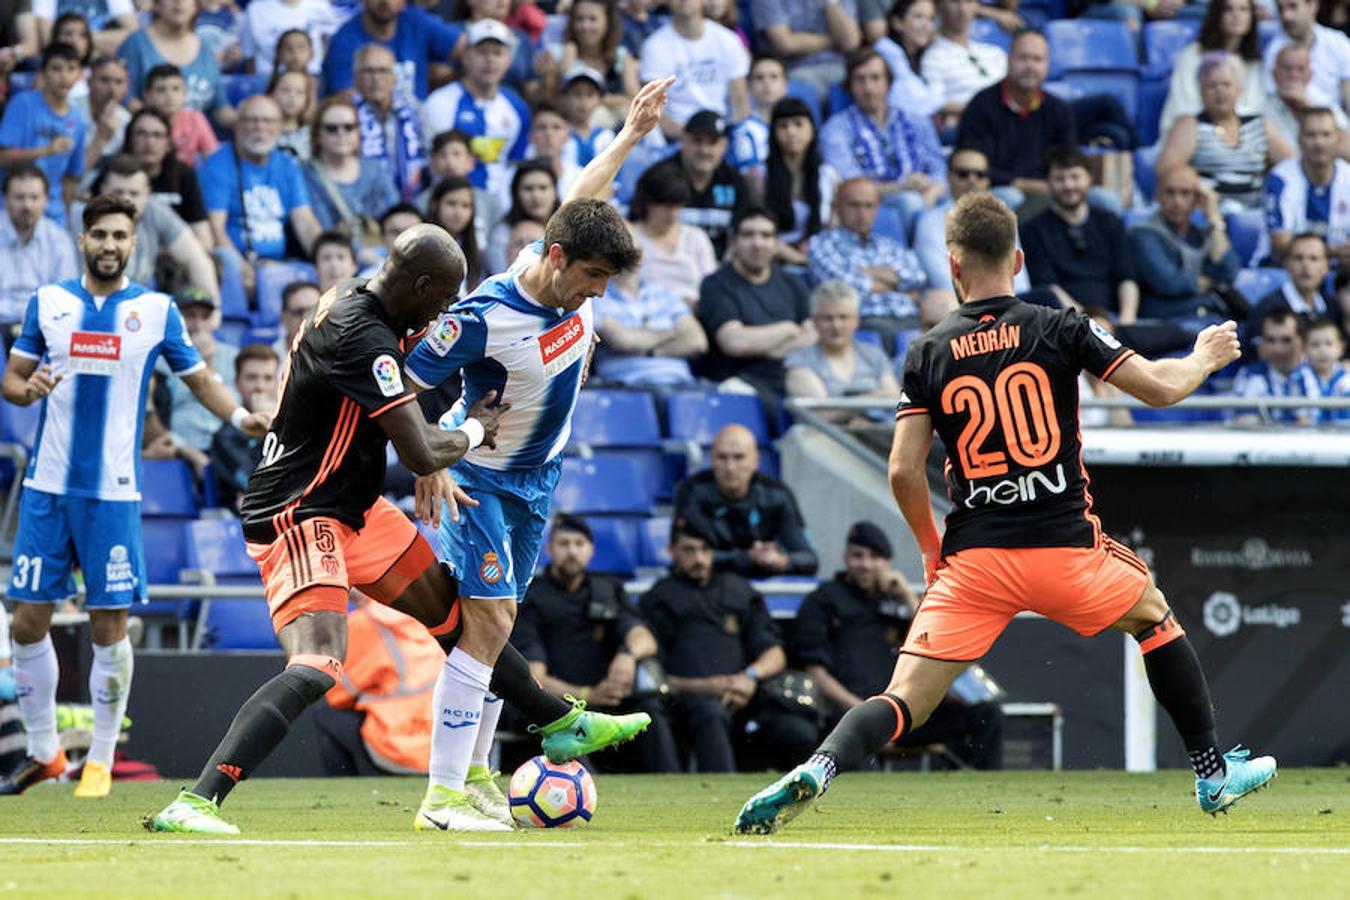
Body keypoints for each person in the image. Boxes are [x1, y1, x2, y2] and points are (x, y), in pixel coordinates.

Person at [733, 191, 1276, 835]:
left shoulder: (928, 350)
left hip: (975, 562)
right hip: (1065, 549)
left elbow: (904, 470)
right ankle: (1212, 772)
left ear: (953, 265)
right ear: (1017, 259)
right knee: (1154, 615)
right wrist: (1203, 358)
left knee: (904, 698)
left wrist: (932, 550)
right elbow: (1159, 389)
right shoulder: (1061, 326)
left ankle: (819, 767)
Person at [147, 219, 645, 833]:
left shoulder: (362, 302)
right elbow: (417, 450)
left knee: (460, 621)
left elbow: (427, 386)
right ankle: (195, 802)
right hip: (301, 512)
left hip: (356, 507)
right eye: (440, 299)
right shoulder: (362, 339)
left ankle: (557, 723)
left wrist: (438, 443)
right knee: (319, 664)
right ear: (421, 284)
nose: (444, 314)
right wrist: (469, 435)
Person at [395, 77, 674, 832]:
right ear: (556, 260)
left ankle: (479, 777)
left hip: (536, 480)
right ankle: (442, 797)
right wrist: (431, 460)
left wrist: (630, 134)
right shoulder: (481, 317)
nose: (599, 295)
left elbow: (583, 195)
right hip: (482, 478)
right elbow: (404, 384)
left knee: (498, 629)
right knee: (484, 627)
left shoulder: (556, 260)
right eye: (592, 279)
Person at [0, 194, 270, 799]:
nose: (110, 245)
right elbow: (13, 379)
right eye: (100, 234)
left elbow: (199, 378)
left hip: (114, 494)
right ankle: (44, 753)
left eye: (121, 235)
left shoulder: (155, 310)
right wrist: (26, 389)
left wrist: (241, 418)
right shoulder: (50, 303)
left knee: (108, 625)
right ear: (82, 240)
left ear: (133, 243)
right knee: (25, 623)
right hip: (47, 486)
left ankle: (97, 758)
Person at [794, 521, 1003, 770]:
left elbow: (938, 638)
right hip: (849, 711)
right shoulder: (823, 600)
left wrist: (906, 596)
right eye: (857, 556)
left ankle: (986, 796)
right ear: (845, 557)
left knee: (987, 714)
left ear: (887, 562)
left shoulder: (895, 601)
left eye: (875, 557)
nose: (865, 564)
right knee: (850, 742)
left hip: (904, 712)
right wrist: (866, 719)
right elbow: (815, 671)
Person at [638, 519, 818, 772]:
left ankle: (808, 794)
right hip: (685, 702)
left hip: (745, 696)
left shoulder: (738, 590)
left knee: (798, 730)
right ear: (672, 551)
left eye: (705, 550)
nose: (699, 558)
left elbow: (774, 653)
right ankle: (718, 797)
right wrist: (708, 687)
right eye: (689, 550)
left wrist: (748, 677)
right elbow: (654, 674)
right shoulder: (659, 599)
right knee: (710, 713)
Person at [515, 514, 680, 773]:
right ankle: (584, 789)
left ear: (591, 550)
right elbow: (535, 678)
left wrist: (627, 654)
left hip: (612, 698)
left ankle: (673, 788)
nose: (572, 551)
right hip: (561, 704)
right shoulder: (533, 597)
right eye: (564, 544)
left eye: (579, 544)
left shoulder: (608, 589)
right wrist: (587, 695)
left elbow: (645, 639)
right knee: (557, 720)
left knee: (650, 711)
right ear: (550, 549)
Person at [199, 95, 323, 294]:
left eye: (268, 121)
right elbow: (216, 229)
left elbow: (306, 223)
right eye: (252, 120)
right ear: (237, 125)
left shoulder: (287, 165)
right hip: (238, 265)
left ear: (280, 128)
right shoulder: (217, 165)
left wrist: (325, 258)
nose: (260, 127)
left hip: (281, 266)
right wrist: (242, 269)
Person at [314, 593, 444, 776]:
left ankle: (345, 788)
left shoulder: (364, 622)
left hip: (394, 743)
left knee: (325, 712)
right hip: (442, 745)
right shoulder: (422, 615)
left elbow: (337, 696)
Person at [819, 48, 945, 235]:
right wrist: (902, 188)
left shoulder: (917, 120)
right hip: (875, 202)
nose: (868, 88)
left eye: (875, 78)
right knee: (909, 202)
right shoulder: (835, 129)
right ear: (850, 86)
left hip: (928, 195)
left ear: (888, 83)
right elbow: (850, 185)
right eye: (860, 80)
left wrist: (930, 195)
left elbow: (939, 169)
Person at [672, 423, 818, 578]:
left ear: (756, 461)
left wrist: (781, 561)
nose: (730, 467)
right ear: (711, 460)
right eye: (722, 457)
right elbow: (688, 557)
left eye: (738, 457)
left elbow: (809, 559)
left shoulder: (777, 494)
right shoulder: (692, 491)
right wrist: (749, 558)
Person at [697, 206, 815, 397]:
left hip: (792, 377)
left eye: (766, 236)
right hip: (740, 383)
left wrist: (768, 348)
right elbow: (734, 342)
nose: (757, 243)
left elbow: (813, 336)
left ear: (777, 243)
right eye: (748, 235)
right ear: (733, 241)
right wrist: (789, 329)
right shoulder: (715, 285)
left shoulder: (792, 283)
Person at [955, 29, 1074, 209]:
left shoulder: (1058, 109)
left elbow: (1068, 162)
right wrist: (1024, 185)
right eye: (1023, 58)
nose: (1030, 66)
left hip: (1050, 191)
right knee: (1012, 197)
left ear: (1047, 65)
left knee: (1103, 199)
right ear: (1009, 60)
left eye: (1037, 59)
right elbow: (969, 167)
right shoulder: (981, 105)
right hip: (998, 192)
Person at [1157, 52, 1293, 209]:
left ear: (1239, 89)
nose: (1220, 91)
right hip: (1207, 211)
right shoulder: (1189, 124)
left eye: (1226, 85)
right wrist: (1199, 189)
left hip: (1255, 211)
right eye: (1212, 86)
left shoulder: (1259, 124)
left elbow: (1291, 165)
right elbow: (1166, 169)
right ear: (1201, 91)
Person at [808, 178, 929, 353]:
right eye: (854, 206)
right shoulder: (822, 243)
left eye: (868, 206)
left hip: (910, 319)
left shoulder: (889, 245)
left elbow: (918, 277)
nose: (862, 214)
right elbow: (843, 288)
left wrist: (866, 274)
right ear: (836, 208)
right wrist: (895, 284)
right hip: (866, 323)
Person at [1021, 147, 1140, 322]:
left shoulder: (1111, 222)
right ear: (1048, 183)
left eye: (1075, 177)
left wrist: (1127, 320)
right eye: (1060, 179)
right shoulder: (1032, 230)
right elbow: (1048, 288)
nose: (1068, 185)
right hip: (1067, 322)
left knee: (1179, 335)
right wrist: (1088, 323)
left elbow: (1127, 277)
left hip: (1115, 320)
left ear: (1089, 179)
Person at [421, 20, 529, 204]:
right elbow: (432, 163)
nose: (490, 60)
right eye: (482, 52)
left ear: (508, 60)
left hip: (501, 206)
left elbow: (515, 164)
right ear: (465, 57)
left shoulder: (518, 108)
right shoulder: (439, 103)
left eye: (497, 53)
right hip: (448, 203)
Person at [93, 154, 219, 306]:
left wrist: (213, 312)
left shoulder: (155, 212)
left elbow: (197, 259)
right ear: (102, 190)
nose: (125, 200)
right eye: (117, 192)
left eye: (134, 193)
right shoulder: (79, 218)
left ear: (147, 193)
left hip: (136, 312)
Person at [1129, 165, 1242, 322]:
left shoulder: (1201, 234)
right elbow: (1171, 283)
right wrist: (1212, 280)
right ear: (1158, 196)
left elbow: (1229, 271)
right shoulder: (1143, 234)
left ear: (1197, 199)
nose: (1177, 201)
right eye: (1170, 192)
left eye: (1185, 193)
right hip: (1169, 321)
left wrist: (1214, 218)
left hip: (1209, 316)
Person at [638, 110, 755, 260]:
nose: (704, 150)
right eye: (697, 141)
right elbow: (638, 227)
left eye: (712, 143)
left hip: (722, 270)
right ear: (683, 141)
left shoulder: (735, 181)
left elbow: (747, 227)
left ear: (724, 146)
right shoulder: (658, 179)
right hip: (666, 265)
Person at [914, 148, 1029, 295]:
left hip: (1006, 303)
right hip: (960, 306)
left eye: (980, 175)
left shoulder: (1003, 219)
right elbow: (942, 280)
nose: (972, 180)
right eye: (963, 174)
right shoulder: (930, 221)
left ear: (988, 181)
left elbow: (1019, 278)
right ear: (948, 177)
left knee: (1048, 296)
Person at [0, 42, 86, 229]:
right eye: (56, 69)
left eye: (71, 69)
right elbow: (2, 157)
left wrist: (68, 218)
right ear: (42, 74)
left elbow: (70, 178)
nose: (64, 76)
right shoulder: (22, 105)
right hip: (10, 209)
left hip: (54, 216)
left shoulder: (78, 123)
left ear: (80, 75)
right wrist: (46, 150)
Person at [638, 0, 749, 139]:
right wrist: (692, 139)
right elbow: (653, 110)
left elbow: (740, 102)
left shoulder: (729, 41)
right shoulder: (654, 46)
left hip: (721, 132)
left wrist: (726, 138)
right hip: (676, 137)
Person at [303, 95, 400, 252]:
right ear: (317, 134)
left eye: (348, 127)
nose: (341, 133)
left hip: (383, 252)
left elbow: (396, 212)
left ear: (358, 132)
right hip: (338, 258)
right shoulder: (307, 174)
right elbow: (322, 228)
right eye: (331, 128)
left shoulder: (374, 167)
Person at [785, 281, 901, 411]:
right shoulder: (800, 361)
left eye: (844, 317)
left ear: (856, 320)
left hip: (875, 429)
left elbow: (893, 400)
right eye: (828, 318)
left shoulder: (874, 355)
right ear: (814, 321)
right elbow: (821, 415)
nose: (836, 326)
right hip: (821, 431)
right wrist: (874, 398)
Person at [1160, 0, 1266, 139]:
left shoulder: (1253, 62)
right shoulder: (1192, 55)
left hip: (1242, 139)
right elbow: (1183, 106)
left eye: (1243, 9)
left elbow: (1255, 107)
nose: (1236, 15)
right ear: (1217, 15)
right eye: (1228, 9)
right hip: (1194, 136)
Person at [321, 0, 465, 101]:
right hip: (368, 130)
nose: (385, 1)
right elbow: (346, 99)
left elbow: (468, 50)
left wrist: (449, 75)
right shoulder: (344, 40)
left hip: (417, 125)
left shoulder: (416, 20)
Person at [117, 0, 231, 126]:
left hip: (195, 139)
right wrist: (163, 128)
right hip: (150, 136)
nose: (179, 2)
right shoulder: (135, 44)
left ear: (196, 5)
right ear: (156, 4)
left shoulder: (207, 50)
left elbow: (220, 108)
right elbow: (126, 98)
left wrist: (246, 120)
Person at [592, 266, 707, 386]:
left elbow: (697, 342)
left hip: (683, 382)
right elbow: (625, 341)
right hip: (628, 385)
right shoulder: (596, 295)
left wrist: (652, 351)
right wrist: (673, 333)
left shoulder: (664, 292)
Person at [1263, 108, 1350, 264]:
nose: (1319, 143)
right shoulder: (1280, 178)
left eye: (1326, 134)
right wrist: (1331, 252)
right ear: (1299, 139)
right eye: (1311, 135)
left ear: (1337, 139)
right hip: (1284, 268)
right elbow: (1280, 245)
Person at [535, 0, 639, 128]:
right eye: (579, 19)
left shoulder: (621, 56)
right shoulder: (556, 53)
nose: (585, 26)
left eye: (593, 19)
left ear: (607, 22)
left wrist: (599, 100)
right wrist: (561, 72)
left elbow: (636, 100)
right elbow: (547, 105)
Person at [0, 165, 78, 333]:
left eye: (34, 197)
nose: (27, 205)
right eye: (19, 198)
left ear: (46, 200)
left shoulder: (59, 239)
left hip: (42, 329)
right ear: (5, 199)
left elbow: (65, 296)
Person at [626, 165, 717, 307]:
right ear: (647, 202)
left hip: (697, 314)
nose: (672, 214)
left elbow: (712, 287)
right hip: (646, 315)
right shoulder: (629, 238)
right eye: (665, 206)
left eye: (677, 206)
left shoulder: (696, 237)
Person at [763, 97, 838, 266]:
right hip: (772, 259)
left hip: (819, 257)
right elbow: (755, 226)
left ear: (812, 129)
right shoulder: (759, 175)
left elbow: (834, 228)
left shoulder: (828, 175)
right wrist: (799, 259)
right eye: (783, 126)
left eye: (798, 124)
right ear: (773, 133)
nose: (791, 132)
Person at [350, 44, 429, 202]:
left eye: (383, 71)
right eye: (368, 71)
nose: (376, 78)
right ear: (356, 78)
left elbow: (431, 154)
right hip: (364, 204)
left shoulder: (415, 110)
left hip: (415, 205)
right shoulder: (346, 114)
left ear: (395, 77)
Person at [123, 107, 212, 248]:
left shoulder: (184, 175)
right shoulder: (114, 174)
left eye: (157, 135)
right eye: (141, 134)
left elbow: (203, 235)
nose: (149, 142)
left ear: (169, 144)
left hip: (177, 255)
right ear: (129, 139)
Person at [210, 343, 280, 512]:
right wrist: (264, 428)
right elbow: (254, 483)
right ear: (237, 383)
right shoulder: (224, 437)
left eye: (268, 378)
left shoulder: (292, 431)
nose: (260, 387)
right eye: (251, 377)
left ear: (278, 383)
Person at [749, 0, 861, 104]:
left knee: (865, 83)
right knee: (800, 92)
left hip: (839, 67)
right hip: (795, 69)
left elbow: (851, 42)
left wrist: (830, 3)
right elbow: (786, 44)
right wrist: (835, 40)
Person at [922, 0, 1007, 131]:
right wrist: (982, 107)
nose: (962, 9)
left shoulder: (995, 53)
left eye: (968, 1)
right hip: (970, 129)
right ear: (940, 6)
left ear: (976, 6)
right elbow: (934, 103)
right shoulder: (933, 57)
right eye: (954, 2)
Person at [1243, 232, 1337, 346]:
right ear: (1286, 264)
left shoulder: (1332, 306)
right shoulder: (1266, 309)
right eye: (1298, 258)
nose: (1306, 265)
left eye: (1314, 258)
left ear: (1326, 266)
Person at [1261, 0, 1350, 115]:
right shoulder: (1274, 50)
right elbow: (1272, 100)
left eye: (1293, 6)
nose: (1286, 16)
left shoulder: (1339, 43)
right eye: (1281, 9)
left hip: (1335, 125)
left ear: (1313, 5)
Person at [1231, 307, 1317, 423]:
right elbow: (1245, 424)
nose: (1278, 349)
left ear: (1301, 340)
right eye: (1271, 340)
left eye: (1286, 340)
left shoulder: (1321, 368)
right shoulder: (1250, 375)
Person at [1265, 44, 1350, 153]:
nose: (1293, 75)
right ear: (1274, 74)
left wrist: (1308, 107)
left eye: (1300, 69)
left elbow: (1348, 150)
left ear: (1310, 75)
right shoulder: (1263, 112)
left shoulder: (1325, 104)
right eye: (1287, 68)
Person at [484, 160, 558, 275]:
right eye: (528, 189)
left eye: (543, 188)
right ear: (516, 193)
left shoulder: (568, 229)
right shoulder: (503, 233)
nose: (536, 196)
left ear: (554, 192)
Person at [873, 0, 943, 121]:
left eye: (931, 19)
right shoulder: (886, 50)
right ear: (897, 23)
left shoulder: (922, 55)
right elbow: (915, 103)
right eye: (918, 17)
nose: (927, 26)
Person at [238, 0, 341, 81]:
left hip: (312, 76)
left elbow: (332, 39)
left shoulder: (320, 6)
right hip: (269, 77)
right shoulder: (255, 9)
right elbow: (249, 55)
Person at [142, 63, 218, 168]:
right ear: (148, 96)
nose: (169, 96)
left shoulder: (195, 118)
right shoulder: (140, 123)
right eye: (161, 90)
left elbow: (214, 160)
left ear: (184, 94)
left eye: (176, 89)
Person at [728, 54, 788, 176]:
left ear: (785, 85)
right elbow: (749, 177)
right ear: (748, 87)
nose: (767, 83)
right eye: (759, 78)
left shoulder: (793, 125)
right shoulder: (743, 131)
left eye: (774, 77)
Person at [74, 55, 130, 181]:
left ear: (127, 87)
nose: (112, 89)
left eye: (119, 82)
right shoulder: (69, 111)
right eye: (104, 80)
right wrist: (101, 138)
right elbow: (72, 175)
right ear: (89, 82)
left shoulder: (127, 121)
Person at [427, 175, 485, 293]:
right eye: (451, 203)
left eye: (465, 206)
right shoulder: (423, 244)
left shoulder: (475, 249)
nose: (458, 212)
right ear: (435, 204)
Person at [556, 65, 616, 170]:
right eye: (577, 94)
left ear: (599, 100)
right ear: (565, 98)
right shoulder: (555, 134)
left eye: (590, 95)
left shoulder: (606, 137)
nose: (583, 102)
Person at [1303, 317, 1350, 424]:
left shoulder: (1347, 379)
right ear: (1304, 349)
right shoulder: (1298, 379)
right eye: (1315, 345)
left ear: (1341, 348)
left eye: (1329, 343)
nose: (1322, 350)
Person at [269, 69, 314, 162]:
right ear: (272, 95)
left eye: (300, 92)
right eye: (285, 91)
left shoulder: (313, 134)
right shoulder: (261, 130)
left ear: (307, 99)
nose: (292, 96)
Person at [273, 280, 319, 359]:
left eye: (314, 311)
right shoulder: (272, 358)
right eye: (299, 312)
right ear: (284, 318)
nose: (307, 319)